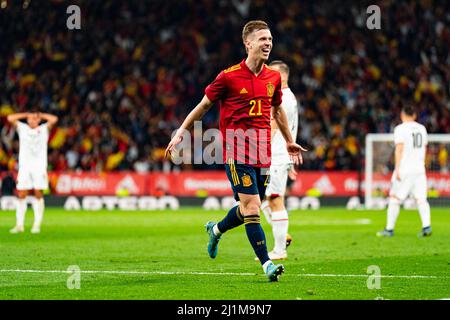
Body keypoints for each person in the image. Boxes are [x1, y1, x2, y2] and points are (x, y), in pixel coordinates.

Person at [166, 20, 306, 281]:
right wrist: (181, 132)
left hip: (263, 153)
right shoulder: (228, 76)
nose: (268, 43)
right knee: (253, 208)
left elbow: (276, 111)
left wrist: (288, 140)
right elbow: (204, 105)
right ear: (248, 43)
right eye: (263, 39)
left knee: (247, 209)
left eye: (271, 39)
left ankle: (216, 229)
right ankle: (268, 265)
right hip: (237, 151)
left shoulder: (273, 78)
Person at [259, 60, 299, 261]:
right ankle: (282, 237)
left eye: (271, 73)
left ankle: (279, 249)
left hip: (274, 156)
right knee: (261, 199)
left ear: (281, 76)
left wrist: (260, 149)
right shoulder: (289, 98)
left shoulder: (283, 99)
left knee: (275, 200)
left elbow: (274, 126)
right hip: (278, 156)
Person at [377, 105, 431, 237]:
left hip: (405, 168)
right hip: (419, 168)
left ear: (402, 115)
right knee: (421, 199)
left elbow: (399, 149)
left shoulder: (400, 129)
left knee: (394, 198)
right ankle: (427, 227)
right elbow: (424, 149)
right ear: (414, 115)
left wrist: (397, 169)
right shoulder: (422, 129)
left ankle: (389, 229)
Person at [7, 111, 58, 234]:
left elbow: (54, 119)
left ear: (39, 120)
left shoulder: (44, 128)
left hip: (39, 166)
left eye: (35, 119)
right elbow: (10, 118)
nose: (33, 120)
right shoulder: (22, 128)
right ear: (27, 120)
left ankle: (36, 225)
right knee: (22, 193)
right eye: (30, 119)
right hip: (24, 166)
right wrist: (26, 114)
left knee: (38, 193)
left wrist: (40, 115)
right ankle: (19, 225)